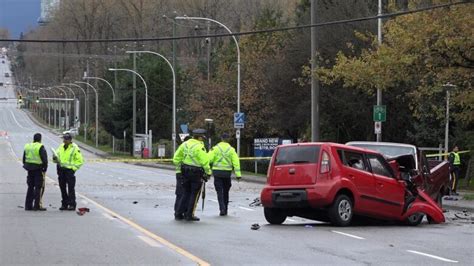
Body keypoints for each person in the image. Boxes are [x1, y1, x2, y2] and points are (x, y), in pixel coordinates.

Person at [173, 129, 211, 221]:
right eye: (203, 138)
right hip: (196, 173)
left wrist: (181, 166)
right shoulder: (199, 147)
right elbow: (205, 161)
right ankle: (189, 214)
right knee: (194, 194)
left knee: (185, 192)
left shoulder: (185, 144)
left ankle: (178, 213)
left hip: (184, 171)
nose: (203, 140)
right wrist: (208, 172)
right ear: (200, 137)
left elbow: (176, 158)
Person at [208, 132, 241, 216]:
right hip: (227, 173)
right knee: (226, 191)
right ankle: (225, 208)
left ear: (221, 138)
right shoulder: (231, 149)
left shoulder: (215, 148)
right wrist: (238, 174)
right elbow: (236, 162)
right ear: (227, 139)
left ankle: (221, 208)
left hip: (217, 173)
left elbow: (209, 159)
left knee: (219, 192)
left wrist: (207, 171)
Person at [53, 133, 84, 211]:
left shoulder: (75, 148)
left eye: (66, 139)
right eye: (64, 139)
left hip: (69, 171)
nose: (64, 141)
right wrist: (54, 158)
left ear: (70, 140)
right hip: (61, 170)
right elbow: (56, 156)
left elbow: (80, 161)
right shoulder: (61, 146)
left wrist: (73, 169)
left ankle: (72, 204)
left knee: (71, 188)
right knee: (62, 188)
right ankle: (64, 204)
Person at [23, 133, 48, 211]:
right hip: (38, 170)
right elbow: (44, 159)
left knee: (30, 187)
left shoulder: (28, 146)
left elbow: (24, 159)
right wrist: (45, 168)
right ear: (40, 139)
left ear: (33, 139)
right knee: (38, 187)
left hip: (29, 170)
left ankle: (28, 206)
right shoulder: (40, 147)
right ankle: (36, 205)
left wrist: (27, 166)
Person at [173, 135, 191, 219]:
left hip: (181, 172)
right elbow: (176, 159)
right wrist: (182, 168)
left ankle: (181, 211)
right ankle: (178, 212)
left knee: (182, 193)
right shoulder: (184, 148)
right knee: (181, 193)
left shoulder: (183, 147)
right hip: (181, 173)